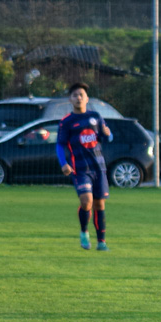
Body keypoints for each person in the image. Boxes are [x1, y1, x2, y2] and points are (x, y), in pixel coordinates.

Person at [56, 82, 113, 251]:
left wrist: (109, 135)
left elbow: (106, 137)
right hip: (80, 169)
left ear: (87, 98)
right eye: (75, 95)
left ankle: (101, 242)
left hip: (99, 168)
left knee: (99, 205)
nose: (78, 98)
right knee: (87, 202)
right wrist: (63, 163)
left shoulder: (95, 116)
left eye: (81, 95)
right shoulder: (67, 122)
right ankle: (84, 231)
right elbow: (60, 144)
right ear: (70, 99)